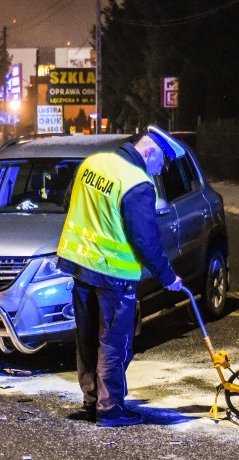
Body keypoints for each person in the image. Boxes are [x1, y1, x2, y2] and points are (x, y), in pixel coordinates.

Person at [57, 134, 182, 427]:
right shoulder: (137, 183)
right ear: (149, 151)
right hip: (114, 275)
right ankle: (110, 409)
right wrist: (167, 276)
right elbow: (145, 239)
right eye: (160, 163)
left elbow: (68, 203)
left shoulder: (92, 163)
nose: (158, 171)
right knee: (114, 343)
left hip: (81, 267)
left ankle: (91, 402)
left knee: (86, 337)